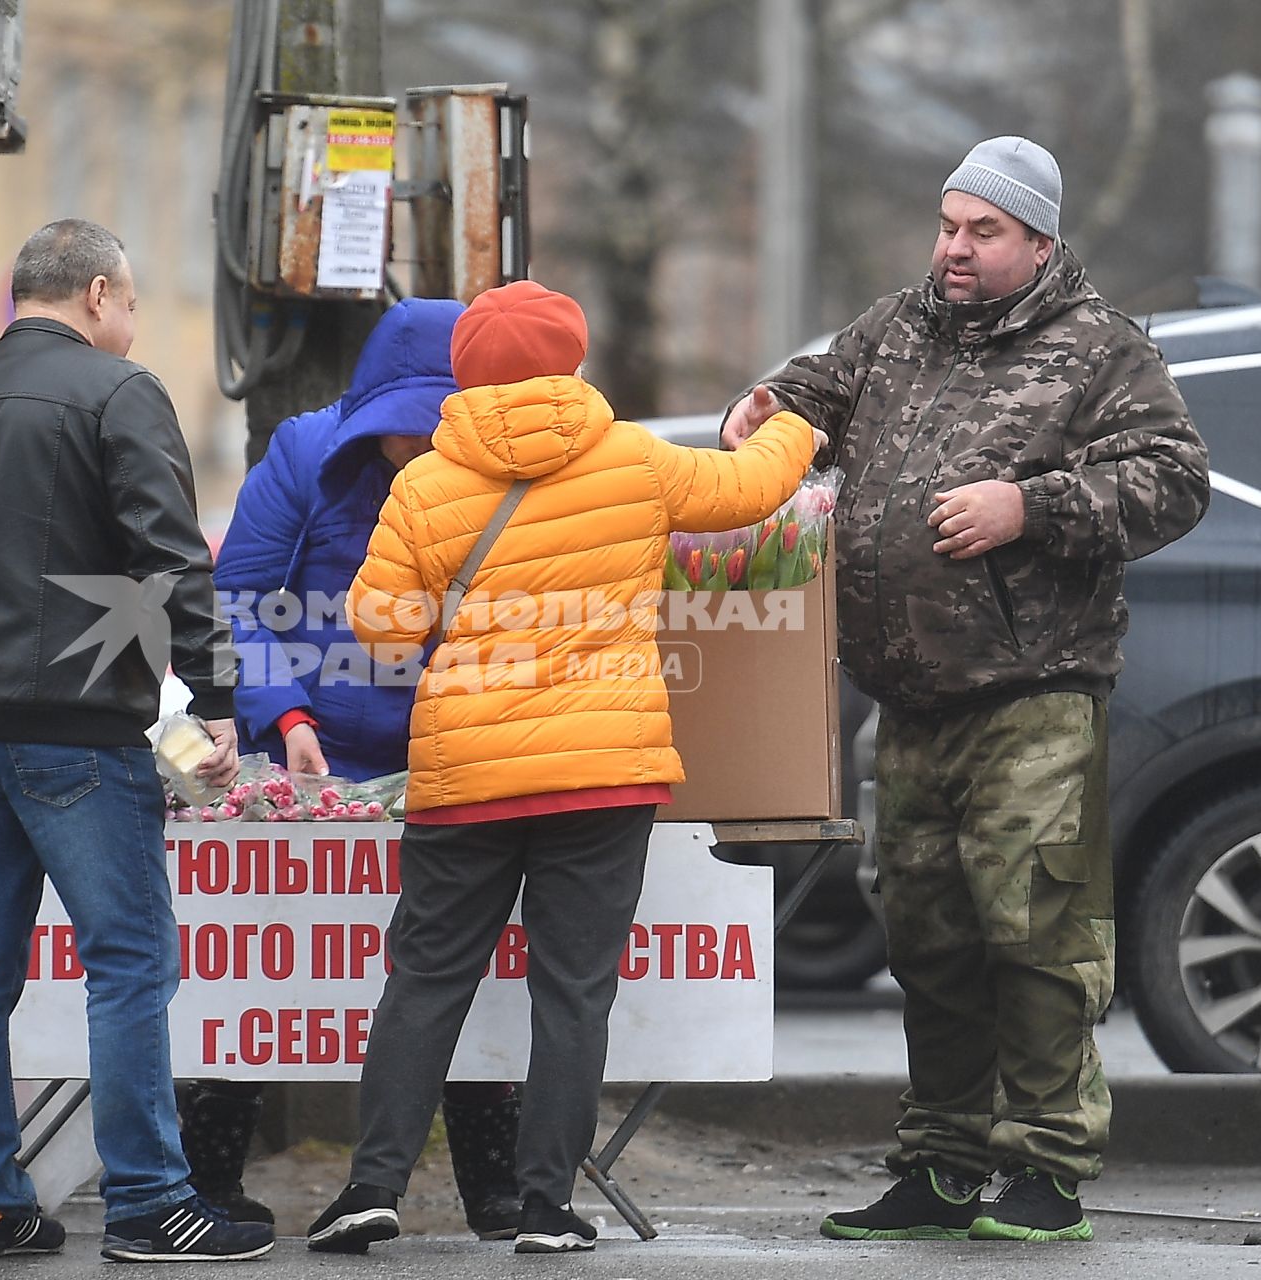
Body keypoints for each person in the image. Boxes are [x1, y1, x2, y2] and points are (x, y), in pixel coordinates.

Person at [722, 136, 1209, 1244]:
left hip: (1030, 692)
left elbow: (1175, 481)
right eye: (947, 224)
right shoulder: (896, 326)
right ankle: (940, 1165)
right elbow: (807, 392)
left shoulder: (1100, 349)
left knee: (1033, 931)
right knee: (925, 935)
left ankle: (1045, 1168)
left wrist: (1027, 507)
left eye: (981, 230)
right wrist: (760, 411)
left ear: (1036, 240)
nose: (953, 246)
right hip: (907, 697)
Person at [307, 280, 821, 1255]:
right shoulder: (632, 459)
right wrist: (785, 424)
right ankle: (544, 1204)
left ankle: (371, 1186)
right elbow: (751, 491)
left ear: (464, 371)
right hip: (600, 771)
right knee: (571, 989)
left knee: (423, 981)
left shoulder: (423, 482)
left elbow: (380, 631)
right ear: (570, 360)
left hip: (464, 778)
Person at [0, 219, 274, 1264]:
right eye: (132, 305)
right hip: (76, 731)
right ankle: (149, 1200)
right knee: (130, 958)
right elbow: (171, 560)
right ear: (99, 294)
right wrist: (217, 699)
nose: (132, 325)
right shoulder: (117, 393)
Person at [207, 297, 525, 1239]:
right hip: (303, 751)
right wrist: (283, 714)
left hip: (447, 752)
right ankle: (213, 1175)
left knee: (464, 966)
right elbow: (237, 598)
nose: (414, 450)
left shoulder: (499, 472)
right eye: (399, 431)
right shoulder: (305, 454)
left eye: (435, 429)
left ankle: (494, 1189)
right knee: (251, 969)